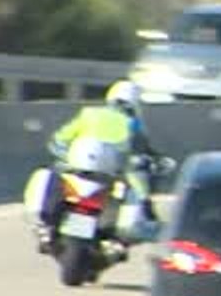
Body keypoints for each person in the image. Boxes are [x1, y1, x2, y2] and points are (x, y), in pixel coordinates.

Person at [37, 81, 159, 242]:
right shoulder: (132, 124)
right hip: (109, 172)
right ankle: (123, 230)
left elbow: (60, 139)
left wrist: (63, 152)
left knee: (54, 175)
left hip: (79, 165)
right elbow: (141, 152)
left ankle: (48, 224)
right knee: (131, 188)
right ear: (135, 104)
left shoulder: (88, 113)